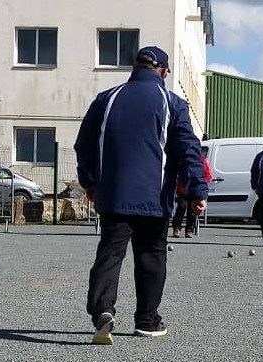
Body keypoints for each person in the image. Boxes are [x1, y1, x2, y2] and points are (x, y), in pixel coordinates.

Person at [74, 46, 208, 345]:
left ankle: (103, 312)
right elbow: (188, 149)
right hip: (154, 196)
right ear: (162, 70)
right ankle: (147, 319)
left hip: (114, 195)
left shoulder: (106, 99)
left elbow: (83, 144)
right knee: (151, 256)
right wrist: (197, 189)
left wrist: (90, 183)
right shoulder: (173, 103)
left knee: (110, 254)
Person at [172, 152, 212, 238]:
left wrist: (203, 183)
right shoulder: (182, 159)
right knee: (182, 207)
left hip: (195, 190)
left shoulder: (202, 161)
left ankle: (189, 229)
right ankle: (177, 228)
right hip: (183, 190)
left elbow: (207, 175)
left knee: (192, 211)